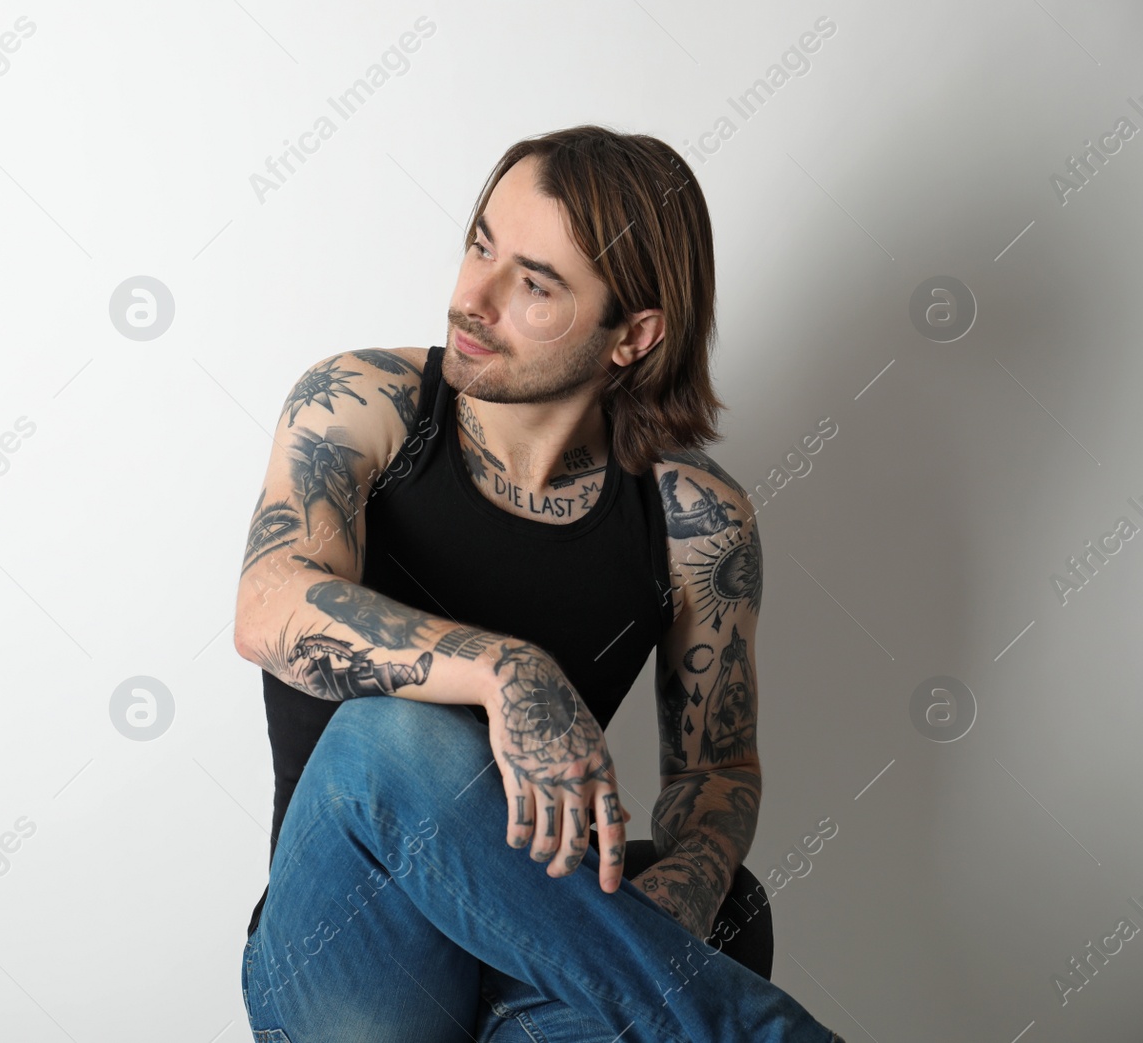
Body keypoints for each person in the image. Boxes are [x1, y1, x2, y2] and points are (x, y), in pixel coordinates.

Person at [232, 125, 844, 1042]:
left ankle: (656, 995)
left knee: (731, 909)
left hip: (534, 970)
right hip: (344, 961)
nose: (471, 297)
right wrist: (505, 669)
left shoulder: (694, 520)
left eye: (533, 282)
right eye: (481, 243)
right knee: (383, 739)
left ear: (632, 335)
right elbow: (270, 601)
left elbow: (716, 770)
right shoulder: (366, 406)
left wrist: (676, 897)